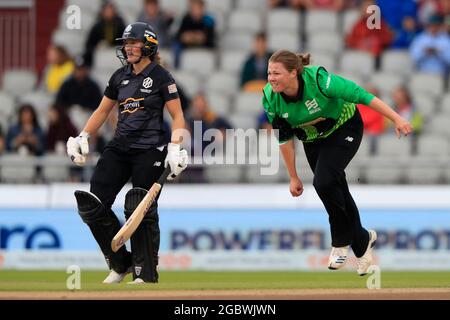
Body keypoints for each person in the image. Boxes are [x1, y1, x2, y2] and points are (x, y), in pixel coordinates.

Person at [262, 50, 413, 275]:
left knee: (323, 182)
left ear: (293, 73)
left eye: (276, 73)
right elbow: (284, 139)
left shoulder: (320, 81)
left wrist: (397, 118)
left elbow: (363, 96)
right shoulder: (270, 97)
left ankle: (340, 241)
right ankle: (362, 241)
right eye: (269, 73)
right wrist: (293, 176)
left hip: (345, 128)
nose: (271, 78)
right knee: (335, 186)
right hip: (312, 139)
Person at [66, 22, 188, 284]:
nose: (128, 47)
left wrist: (176, 146)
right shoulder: (119, 77)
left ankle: (145, 273)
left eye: (133, 43)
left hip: (150, 149)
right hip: (119, 147)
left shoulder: (161, 77)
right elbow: (102, 111)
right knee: (92, 204)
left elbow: (178, 116)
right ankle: (120, 263)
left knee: (139, 205)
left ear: (149, 45)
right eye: (126, 43)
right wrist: (83, 135)